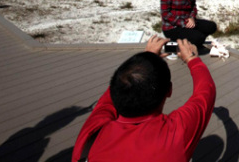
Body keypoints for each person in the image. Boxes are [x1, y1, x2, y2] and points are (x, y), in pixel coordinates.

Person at [71, 36, 216, 162]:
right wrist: (192, 59)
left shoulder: (94, 129)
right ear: (169, 91)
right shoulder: (176, 132)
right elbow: (206, 91)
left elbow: (117, 87)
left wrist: (146, 58)